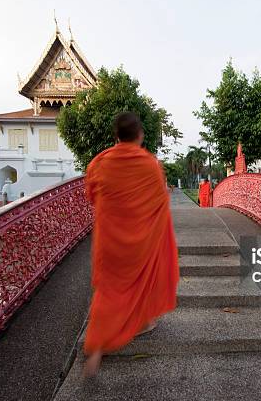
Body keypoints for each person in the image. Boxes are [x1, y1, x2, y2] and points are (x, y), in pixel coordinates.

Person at [82, 112, 179, 377]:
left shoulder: (99, 163)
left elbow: (91, 194)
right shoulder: (149, 165)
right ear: (139, 136)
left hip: (110, 240)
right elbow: (160, 201)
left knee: (109, 289)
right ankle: (142, 321)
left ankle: (97, 348)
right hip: (140, 241)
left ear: (116, 136)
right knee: (144, 277)